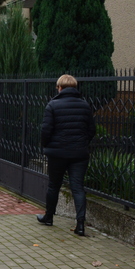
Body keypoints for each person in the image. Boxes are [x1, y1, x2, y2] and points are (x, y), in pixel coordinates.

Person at [37, 74, 95, 235]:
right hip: (79, 153)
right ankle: (81, 225)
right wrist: (82, 143)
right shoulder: (85, 105)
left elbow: (46, 130)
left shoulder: (53, 105)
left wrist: (46, 145)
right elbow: (91, 130)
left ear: (60, 87)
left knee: (54, 185)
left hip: (57, 153)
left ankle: (49, 217)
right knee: (78, 188)